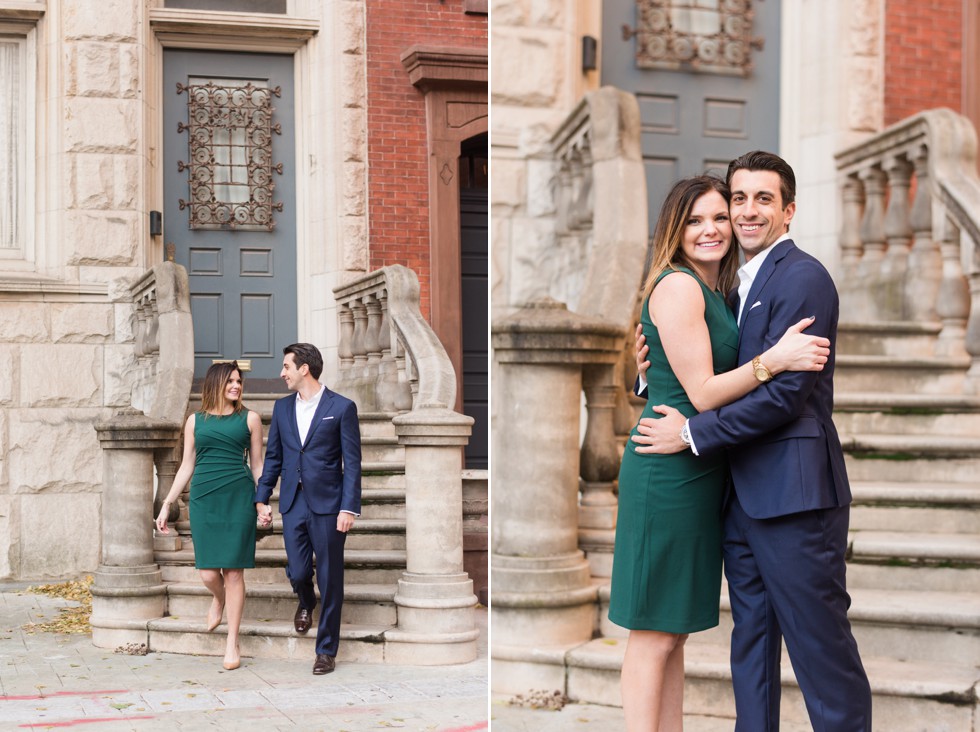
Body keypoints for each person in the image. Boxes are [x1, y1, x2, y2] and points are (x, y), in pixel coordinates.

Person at [632, 151, 873, 731]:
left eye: (763, 199)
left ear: (788, 211)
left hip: (795, 496)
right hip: (739, 495)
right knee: (752, 647)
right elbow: (707, 368)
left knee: (820, 647)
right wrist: (648, 377)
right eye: (739, 198)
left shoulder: (804, 277)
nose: (746, 211)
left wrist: (692, 432)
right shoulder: (731, 286)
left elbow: (784, 398)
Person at [255, 343, 362, 676]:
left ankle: (326, 650)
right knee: (300, 570)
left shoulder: (342, 408)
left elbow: (353, 463)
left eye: (286, 366)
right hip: (293, 501)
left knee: (330, 577)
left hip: (330, 504)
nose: (282, 373)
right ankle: (305, 600)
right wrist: (262, 498)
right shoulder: (282, 408)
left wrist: (349, 507)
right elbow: (273, 457)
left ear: (305, 369)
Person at [155, 360, 267, 671]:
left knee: (233, 573)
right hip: (204, 498)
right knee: (208, 574)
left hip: (238, 497)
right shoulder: (195, 421)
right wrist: (167, 503)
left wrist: (263, 501)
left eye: (239, 381)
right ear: (216, 384)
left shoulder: (251, 420)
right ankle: (218, 598)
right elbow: (186, 464)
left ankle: (232, 640)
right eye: (230, 381)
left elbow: (258, 466)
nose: (236, 386)